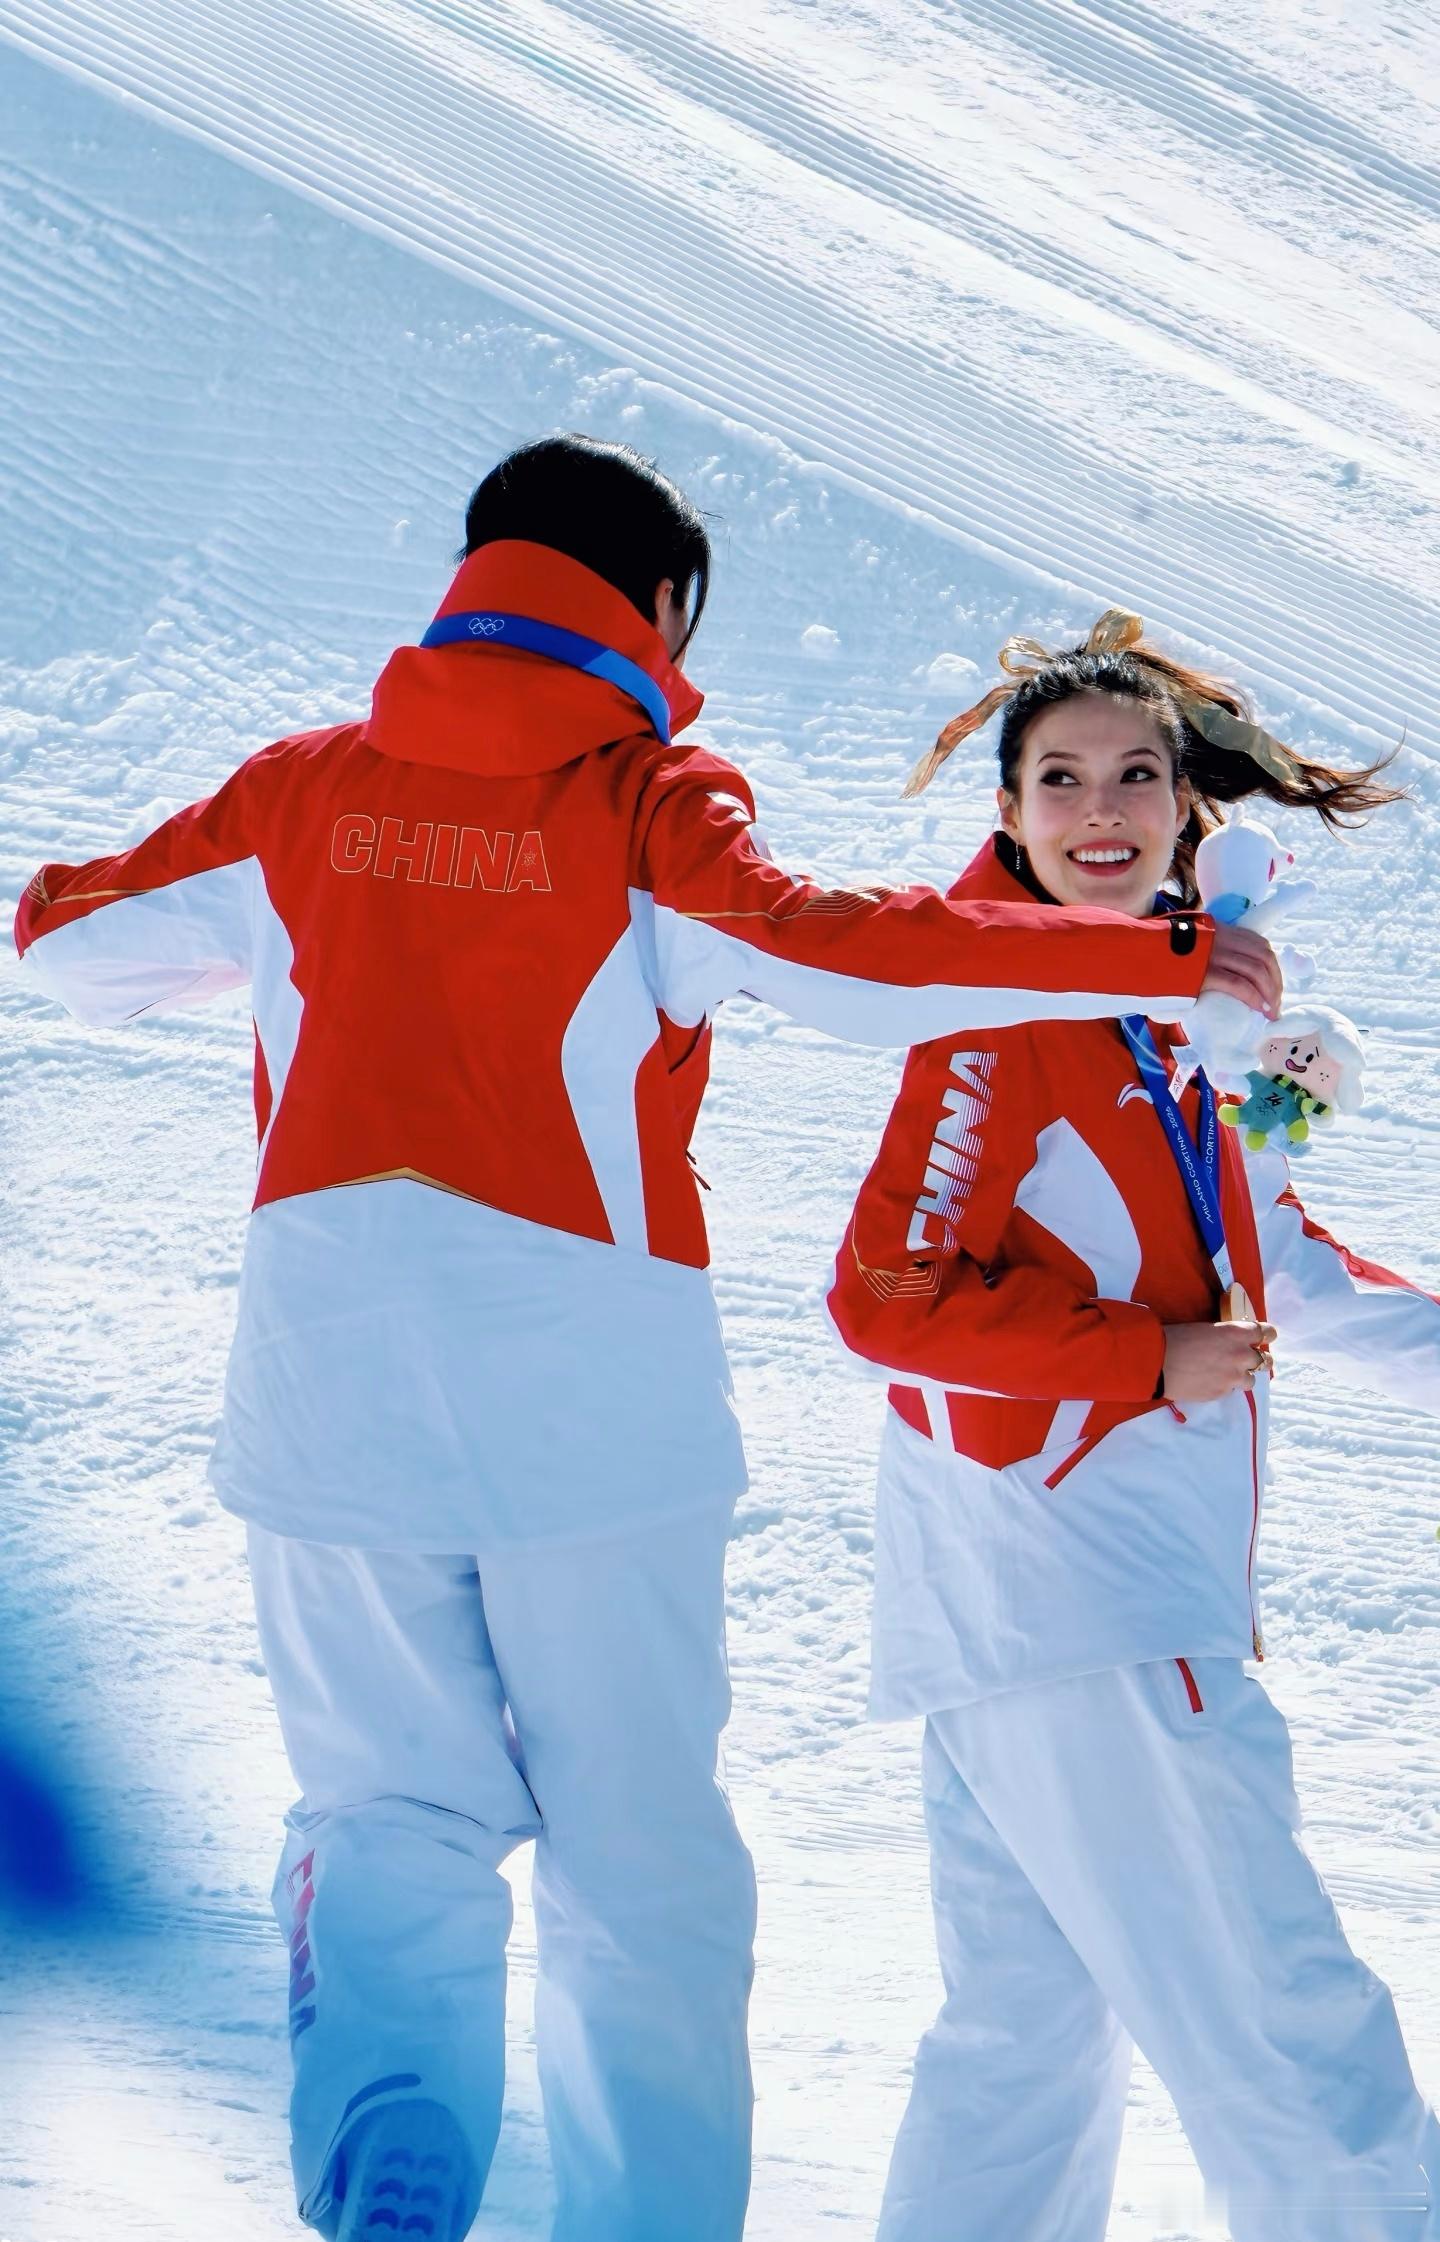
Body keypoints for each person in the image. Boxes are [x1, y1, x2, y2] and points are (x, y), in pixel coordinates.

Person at [15, 447, 1275, 2242]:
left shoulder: (296, 795)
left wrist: (310, 953)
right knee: (637, 1847)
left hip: (326, 1394)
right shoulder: (646, 801)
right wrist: (1147, 964)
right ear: (660, 611)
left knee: (388, 1806)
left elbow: (62, 946)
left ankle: (394, 2183)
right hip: (584, 1403)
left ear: (478, 572)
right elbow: (841, 958)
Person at [828, 609, 1440, 2242]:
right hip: (1082, 1597)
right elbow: (885, 1298)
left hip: (1040, 1618)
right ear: (1014, 816)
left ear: (1185, 809)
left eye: (1136, 775)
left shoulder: (1168, 1020)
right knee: (1279, 2016)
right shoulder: (991, 1011)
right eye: (1061, 779)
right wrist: (1139, 1361)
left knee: (1020, 2060)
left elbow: (1274, 1262)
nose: (1101, 808)